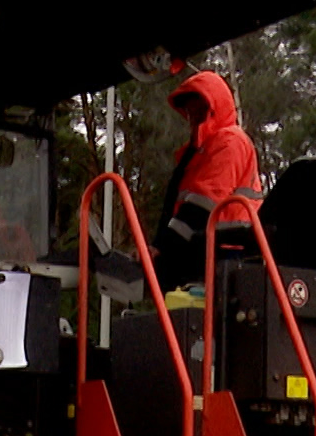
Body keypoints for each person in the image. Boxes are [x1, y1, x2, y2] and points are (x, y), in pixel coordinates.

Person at [91, 70, 264, 300]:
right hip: (206, 248)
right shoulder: (197, 153)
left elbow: (201, 206)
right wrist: (156, 248)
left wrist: (161, 249)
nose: (192, 118)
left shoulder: (229, 141)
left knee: (159, 287)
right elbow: (177, 210)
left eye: (200, 110)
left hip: (228, 252)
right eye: (189, 112)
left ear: (214, 108)